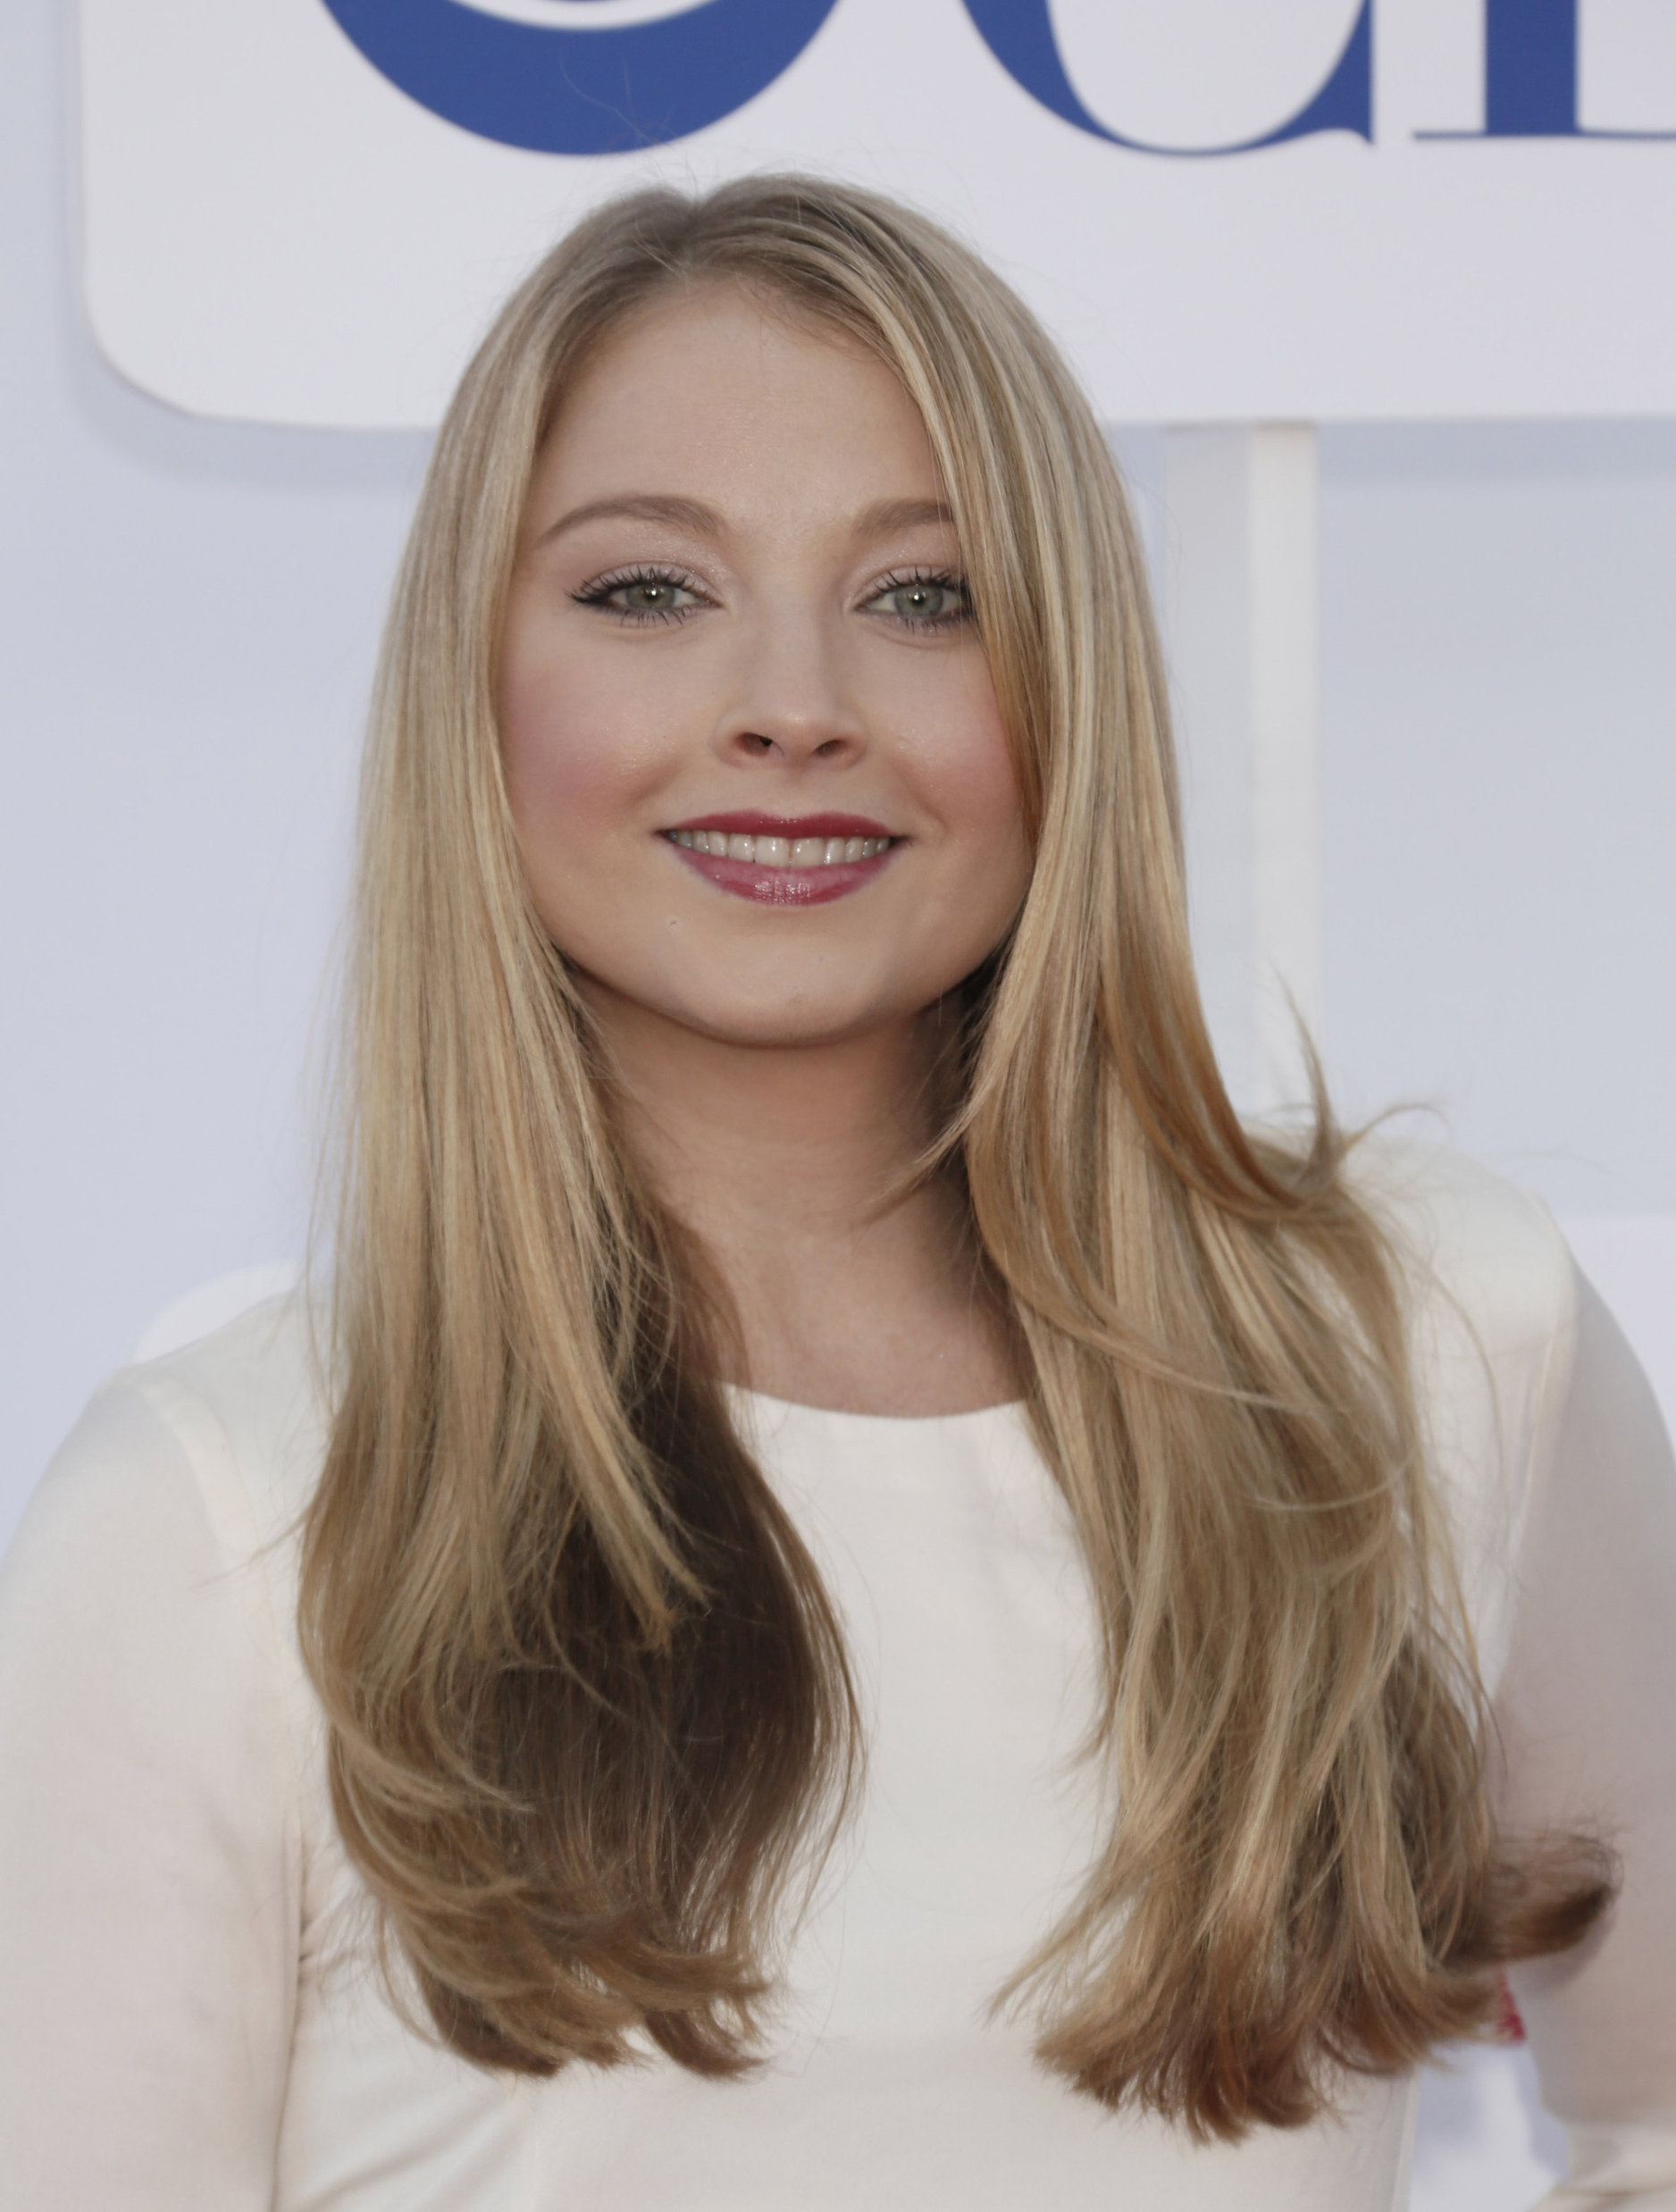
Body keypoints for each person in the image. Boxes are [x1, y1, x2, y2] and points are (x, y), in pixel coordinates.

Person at [1, 176, 1672, 2211]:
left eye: (921, 595)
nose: (792, 703)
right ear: (473, 685)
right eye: (647, 589)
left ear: (1065, 681)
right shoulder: (217, 1516)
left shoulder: (1434, 1351)